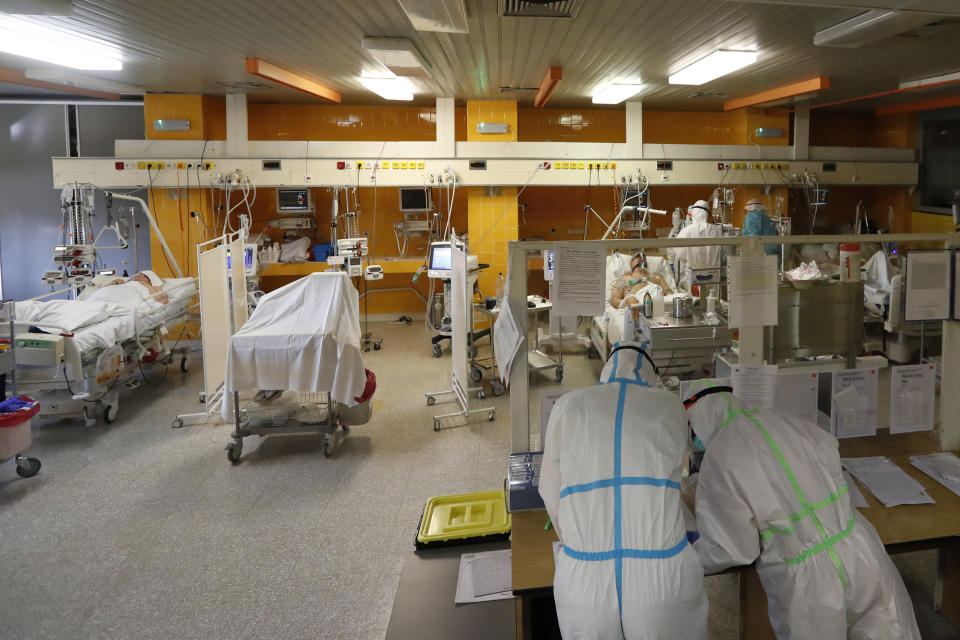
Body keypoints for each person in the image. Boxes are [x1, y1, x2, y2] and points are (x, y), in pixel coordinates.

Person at [684, 381, 921, 640]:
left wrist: (687, 557)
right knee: (891, 630)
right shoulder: (786, 420)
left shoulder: (721, 455)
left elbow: (734, 549)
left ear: (698, 417)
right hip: (860, 550)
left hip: (807, 581)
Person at [539, 344, 708, 640]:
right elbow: (677, 465)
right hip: (661, 584)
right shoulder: (669, 406)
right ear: (651, 375)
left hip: (585, 583)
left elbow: (550, 492)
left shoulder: (568, 405)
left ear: (607, 369)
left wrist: (580, 540)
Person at [675, 200, 722, 279]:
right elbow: (723, 253)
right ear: (707, 214)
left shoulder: (686, 231)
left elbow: (680, 255)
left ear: (693, 213)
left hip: (693, 277)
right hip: (714, 276)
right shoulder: (716, 230)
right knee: (712, 291)